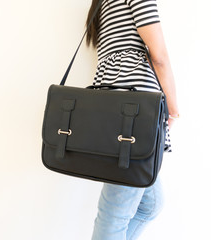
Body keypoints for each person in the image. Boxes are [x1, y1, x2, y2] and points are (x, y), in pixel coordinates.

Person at [85, 0, 180, 239]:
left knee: (151, 204)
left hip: (116, 108)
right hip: (132, 114)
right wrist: (173, 107)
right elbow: (159, 56)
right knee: (114, 215)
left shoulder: (103, 3)